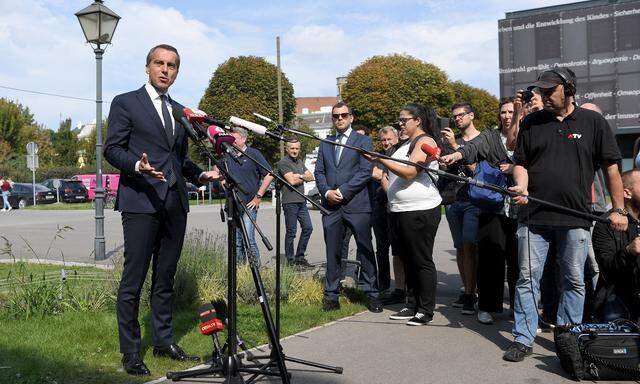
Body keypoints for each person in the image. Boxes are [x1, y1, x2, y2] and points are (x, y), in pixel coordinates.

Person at [104, 44, 216, 376]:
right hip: (140, 201)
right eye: (159, 63)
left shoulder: (180, 112)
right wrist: (136, 167)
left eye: (171, 65)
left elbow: (178, 159)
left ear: (177, 72)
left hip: (174, 204)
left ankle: (163, 341)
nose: (165, 69)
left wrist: (199, 174)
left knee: (164, 278)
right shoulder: (126, 102)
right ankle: (131, 351)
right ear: (147, 67)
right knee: (133, 280)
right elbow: (113, 149)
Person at [502, 67, 627, 362]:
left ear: (569, 89)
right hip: (534, 216)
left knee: (572, 279)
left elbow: (611, 167)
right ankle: (523, 337)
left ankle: (568, 338)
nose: (543, 96)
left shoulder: (593, 121)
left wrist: (619, 208)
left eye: (549, 91)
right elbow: (520, 162)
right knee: (526, 279)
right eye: (541, 91)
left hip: (575, 217)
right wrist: (521, 184)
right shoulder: (533, 122)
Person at [440, 98, 519, 325]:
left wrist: (514, 168)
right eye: (503, 112)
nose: (506, 116)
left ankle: (517, 307)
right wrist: (457, 154)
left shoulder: (527, 135)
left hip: (519, 207)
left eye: (511, 112)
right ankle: (487, 306)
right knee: (489, 258)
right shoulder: (490, 136)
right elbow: (471, 149)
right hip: (491, 205)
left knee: (517, 261)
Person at [362, 103, 442, 325]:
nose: (400, 124)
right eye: (399, 120)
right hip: (400, 210)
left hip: (420, 209)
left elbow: (409, 172)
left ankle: (425, 310)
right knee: (407, 259)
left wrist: (380, 158)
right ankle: (411, 303)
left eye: (404, 120)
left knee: (421, 260)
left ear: (417, 120)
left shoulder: (424, 141)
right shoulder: (405, 143)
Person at [314, 101, 381, 313]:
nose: (340, 119)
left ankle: (371, 293)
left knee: (365, 249)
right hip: (331, 207)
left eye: (343, 115)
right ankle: (331, 295)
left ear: (351, 117)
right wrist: (326, 192)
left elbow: (365, 171)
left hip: (357, 204)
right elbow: (319, 172)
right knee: (332, 251)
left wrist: (342, 192)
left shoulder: (363, 141)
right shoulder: (326, 143)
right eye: (336, 116)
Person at [442, 102, 481, 315]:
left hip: (473, 200)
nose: (457, 119)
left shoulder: (483, 140)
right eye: (454, 116)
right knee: (460, 247)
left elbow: (478, 171)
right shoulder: (451, 140)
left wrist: (457, 150)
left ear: (471, 116)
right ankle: (468, 291)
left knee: (470, 245)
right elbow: (446, 167)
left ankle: (471, 292)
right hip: (452, 199)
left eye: (461, 115)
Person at [591, 169, 640, 323]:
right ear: (627, 193)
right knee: (616, 337)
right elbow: (607, 270)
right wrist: (629, 251)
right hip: (617, 296)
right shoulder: (606, 224)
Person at [221, 127, 274, 264]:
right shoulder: (227, 154)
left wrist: (258, 196)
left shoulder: (253, 154)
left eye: (234, 138)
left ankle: (255, 269)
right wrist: (221, 180)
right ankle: (239, 271)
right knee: (237, 241)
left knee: (248, 239)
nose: (231, 141)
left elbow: (269, 174)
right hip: (232, 204)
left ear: (243, 139)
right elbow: (218, 170)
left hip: (249, 204)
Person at [371, 126, 400, 297]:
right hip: (380, 206)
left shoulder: (400, 154)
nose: (386, 143)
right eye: (383, 140)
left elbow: (381, 175)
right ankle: (383, 283)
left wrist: (382, 175)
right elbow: (374, 174)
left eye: (389, 139)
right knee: (381, 247)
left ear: (396, 138)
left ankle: (402, 286)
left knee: (398, 249)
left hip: (396, 206)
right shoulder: (378, 157)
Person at [277, 139, 314, 268]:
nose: (294, 151)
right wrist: (303, 176)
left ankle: (300, 257)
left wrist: (300, 176)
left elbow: (312, 176)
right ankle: (290, 261)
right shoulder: (283, 163)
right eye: (292, 148)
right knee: (291, 232)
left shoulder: (299, 162)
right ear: (287, 149)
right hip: (290, 202)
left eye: (297, 148)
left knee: (308, 228)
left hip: (301, 201)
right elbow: (291, 181)